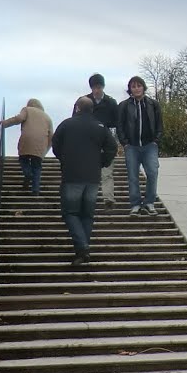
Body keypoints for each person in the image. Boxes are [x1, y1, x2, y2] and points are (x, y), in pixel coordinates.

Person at [52, 95, 118, 265]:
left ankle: (82, 248)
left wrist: (64, 159)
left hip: (72, 176)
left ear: (77, 108)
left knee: (70, 213)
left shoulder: (67, 124)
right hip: (93, 178)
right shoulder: (100, 126)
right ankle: (83, 251)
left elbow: (56, 144)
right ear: (92, 109)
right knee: (87, 215)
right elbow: (112, 146)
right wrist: (102, 161)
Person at [118, 75, 163, 215]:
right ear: (130, 89)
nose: (136, 89)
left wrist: (156, 140)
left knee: (152, 172)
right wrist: (124, 142)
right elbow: (120, 126)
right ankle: (135, 204)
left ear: (143, 87)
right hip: (131, 146)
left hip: (150, 145)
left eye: (139, 86)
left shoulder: (153, 104)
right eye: (133, 86)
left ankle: (149, 202)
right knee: (133, 176)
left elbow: (160, 125)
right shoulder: (124, 105)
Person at [0, 98, 53, 196]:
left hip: (27, 140)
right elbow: (51, 136)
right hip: (41, 144)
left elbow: (19, 118)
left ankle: (28, 174)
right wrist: (45, 150)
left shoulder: (27, 110)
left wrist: (5, 123)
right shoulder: (47, 117)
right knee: (37, 167)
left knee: (23, 159)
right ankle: (35, 190)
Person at [86, 74, 120, 205]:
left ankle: (108, 198)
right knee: (89, 172)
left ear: (103, 87)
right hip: (88, 142)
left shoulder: (111, 102)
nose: (97, 90)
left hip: (105, 141)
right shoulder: (85, 101)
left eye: (99, 87)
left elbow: (117, 123)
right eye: (94, 87)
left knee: (107, 172)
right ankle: (89, 198)